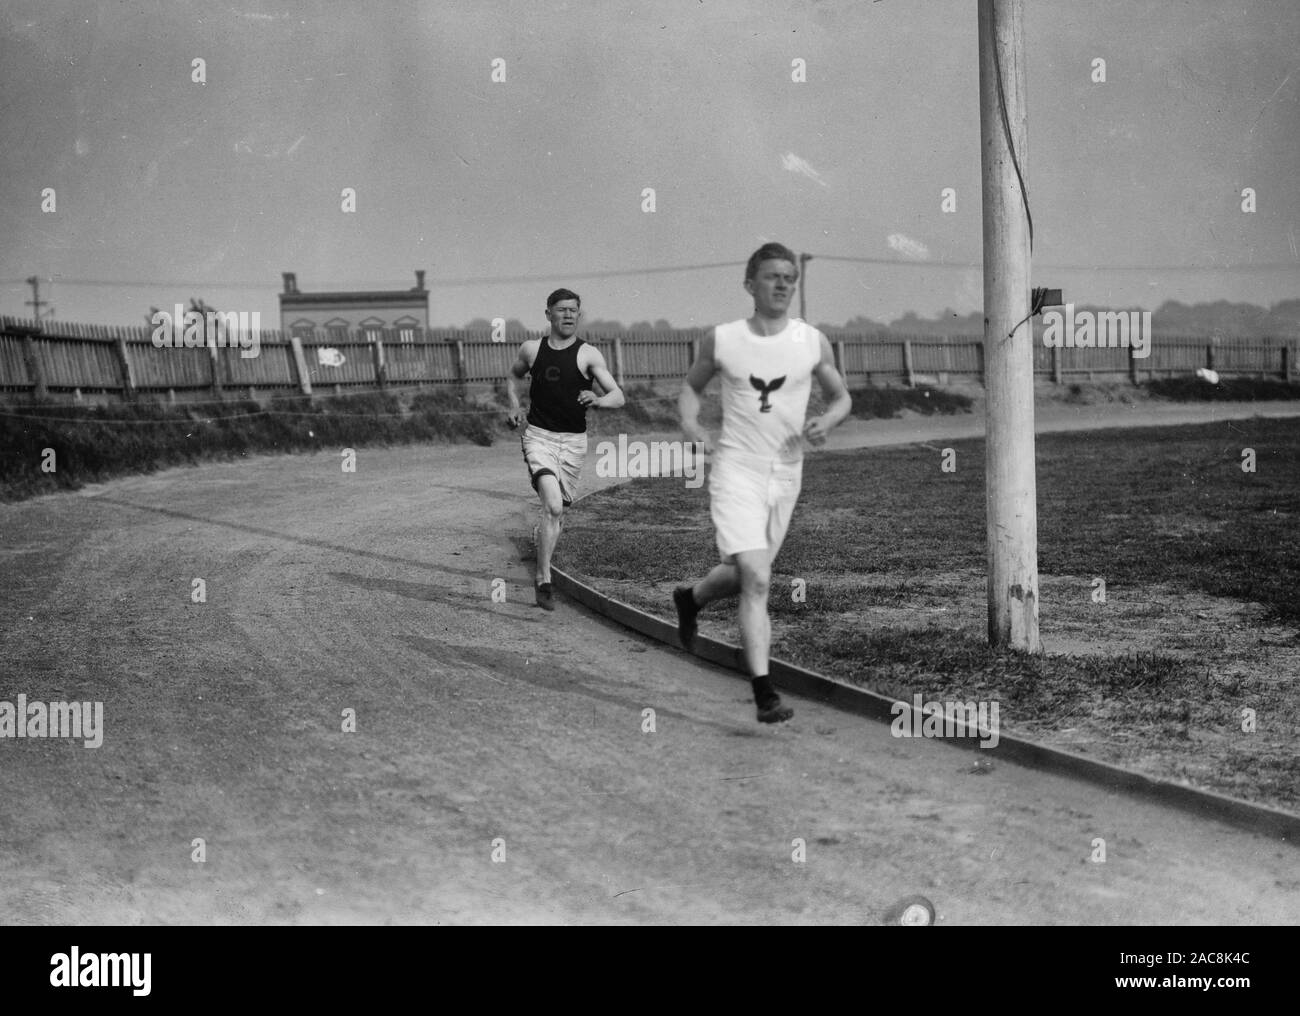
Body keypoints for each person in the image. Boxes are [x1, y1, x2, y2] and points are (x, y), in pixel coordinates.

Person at [674, 243, 852, 722]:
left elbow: (840, 397)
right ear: (750, 283)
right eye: (772, 277)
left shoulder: (812, 342)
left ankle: (689, 599)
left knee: (745, 574)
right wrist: (693, 426)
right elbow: (691, 387)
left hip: (786, 473)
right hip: (736, 469)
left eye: (789, 278)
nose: (782, 285)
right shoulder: (723, 339)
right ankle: (763, 692)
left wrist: (828, 421)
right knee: (758, 578)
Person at [506, 288, 624, 610]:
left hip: (573, 443)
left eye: (574, 310)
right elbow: (514, 377)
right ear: (548, 314)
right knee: (553, 507)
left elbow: (618, 395)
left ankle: (543, 557)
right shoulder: (532, 350)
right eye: (561, 310)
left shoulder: (589, 355)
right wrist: (515, 405)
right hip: (539, 437)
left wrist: (598, 400)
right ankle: (544, 578)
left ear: (579, 315)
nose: (568, 315)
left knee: (557, 513)